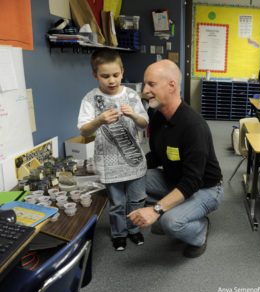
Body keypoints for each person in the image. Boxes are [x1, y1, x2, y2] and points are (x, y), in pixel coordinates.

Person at [127, 60, 223, 258]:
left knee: (169, 222)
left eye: (151, 84)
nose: (145, 90)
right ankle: (176, 208)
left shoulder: (193, 126)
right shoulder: (157, 115)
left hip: (205, 189)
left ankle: (200, 229)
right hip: (174, 179)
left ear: (171, 85)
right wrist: (129, 166)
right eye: (145, 84)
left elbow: (192, 181)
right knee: (130, 179)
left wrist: (155, 210)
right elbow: (156, 156)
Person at [77, 49, 149, 251]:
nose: (111, 80)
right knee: (117, 204)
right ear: (95, 75)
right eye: (105, 76)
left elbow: (143, 124)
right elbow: (84, 130)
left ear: (122, 71)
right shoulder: (90, 99)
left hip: (134, 162)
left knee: (136, 199)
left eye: (116, 75)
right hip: (108, 164)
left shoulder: (132, 95)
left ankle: (134, 230)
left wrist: (134, 115)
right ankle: (119, 234)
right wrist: (99, 120)